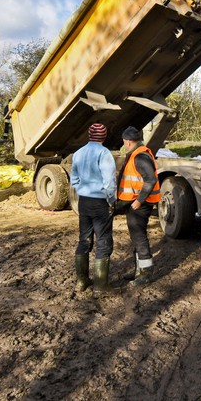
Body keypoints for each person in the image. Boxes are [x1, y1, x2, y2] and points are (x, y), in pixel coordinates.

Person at [69, 123, 117, 296]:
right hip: (100, 202)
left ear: (89, 135)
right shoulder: (104, 153)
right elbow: (109, 182)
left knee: (84, 240)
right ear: (104, 137)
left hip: (84, 201)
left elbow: (73, 178)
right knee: (103, 241)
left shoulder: (79, 153)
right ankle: (100, 286)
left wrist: (81, 188)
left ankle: (81, 281)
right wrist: (111, 200)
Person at [117, 126, 160, 285]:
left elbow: (150, 180)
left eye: (124, 142)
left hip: (140, 205)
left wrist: (139, 200)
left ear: (128, 142)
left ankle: (146, 274)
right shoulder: (137, 153)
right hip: (135, 203)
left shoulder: (140, 157)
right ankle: (138, 270)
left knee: (140, 238)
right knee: (136, 237)